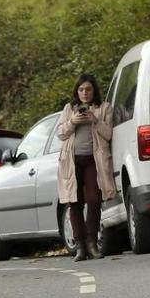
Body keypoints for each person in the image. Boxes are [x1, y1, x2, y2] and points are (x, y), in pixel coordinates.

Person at [55, 74, 117, 261]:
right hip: (72, 161)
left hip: (94, 160)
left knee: (94, 200)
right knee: (74, 202)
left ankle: (92, 243)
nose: (84, 93)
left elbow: (108, 135)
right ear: (77, 91)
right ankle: (80, 247)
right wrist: (72, 121)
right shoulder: (69, 109)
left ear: (94, 90)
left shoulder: (104, 108)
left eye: (88, 89)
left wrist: (95, 121)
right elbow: (60, 133)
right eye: (81, 89)